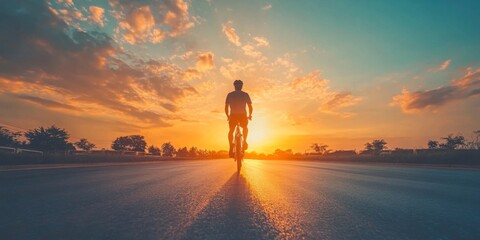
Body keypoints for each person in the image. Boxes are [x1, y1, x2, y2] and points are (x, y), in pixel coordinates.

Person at [225, 80, 252, 157]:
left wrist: (228, 116)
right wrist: (250, 115)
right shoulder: (245, 94)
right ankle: (244, 141)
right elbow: (250, 107)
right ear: (241, 86)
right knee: (245, 127)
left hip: (233, 116)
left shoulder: (229, 95)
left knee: (231, 131)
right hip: (243, 116)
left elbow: (226, 107)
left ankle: (230, 146)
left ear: (234, 86)